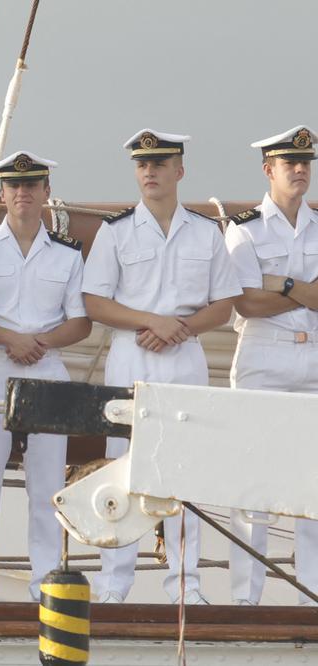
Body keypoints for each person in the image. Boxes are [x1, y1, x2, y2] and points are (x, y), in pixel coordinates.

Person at [81, 129, 242, 604]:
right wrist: (152, 321)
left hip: (184, 357)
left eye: (159, 164)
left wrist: (182, 328)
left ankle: (185, 586)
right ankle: (114, 584)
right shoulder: (116, 231)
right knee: (122, 473)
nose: (149, 172)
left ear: (180, 171)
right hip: (132, 355)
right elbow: (94, 302)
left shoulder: (205, 231)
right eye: (142, 165)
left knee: (183, 472)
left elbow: (225, 304)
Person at [0, 151, 91, 602]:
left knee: (49, 487)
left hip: (46, 368)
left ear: (46, 192)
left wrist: (40, 343)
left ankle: (46, 584)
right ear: (4, 193)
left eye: (31, 185)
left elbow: (81, 321)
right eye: (13, 185)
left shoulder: (68, 254)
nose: (22, 193)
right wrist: (11, 338)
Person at [224, 125, 318, 607]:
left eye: (306, 162)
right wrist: (302, 291)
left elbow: (273, 295)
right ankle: (245, 597)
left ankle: (313, 596)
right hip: (263, 355)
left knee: (314, 483)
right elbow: (244, 304)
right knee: (253, 480)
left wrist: (279, 283)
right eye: (290, 163)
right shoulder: (243, 228)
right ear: (269, 170)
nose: (301, 170)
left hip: (315, 361)